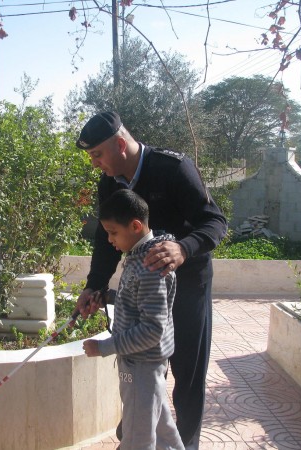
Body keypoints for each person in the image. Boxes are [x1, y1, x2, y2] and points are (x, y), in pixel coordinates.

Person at [75, 111, 228, 449]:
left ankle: (186, 443)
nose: (95, 163)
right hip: (144, 289)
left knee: (187, 373)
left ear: (120, 144)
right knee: (146, 362)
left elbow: (215, 222)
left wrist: (183, 248)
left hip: (187, 285)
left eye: (97, 154)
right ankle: (139, 429)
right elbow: (105, 239)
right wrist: (95, 286)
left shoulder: (174, 169)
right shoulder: (110, 182)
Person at [83, 189, 184, 450]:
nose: (109, 239)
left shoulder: (149, 267)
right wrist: (108, 297)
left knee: (138, 434)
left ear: (136, 226)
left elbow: (151, 330)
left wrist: (104, 347)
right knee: (159, 426)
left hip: (141, 363)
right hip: (143, 362)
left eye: (113, 232)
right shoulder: (141, 257)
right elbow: (139, 303)